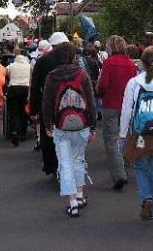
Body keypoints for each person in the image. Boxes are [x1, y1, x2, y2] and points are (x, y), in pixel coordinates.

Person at [42, 42, 97, 218]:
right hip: (82, 125)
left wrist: (48, 125)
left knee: (65, 164)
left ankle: (72, 203)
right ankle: (80, 195)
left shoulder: (52, 77)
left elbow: (47, 104)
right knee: (78, 160)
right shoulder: (82, 75)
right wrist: (93, 125)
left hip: (61, 125)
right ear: (74, 56)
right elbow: (91, 101)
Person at [119, 47, 153, 220]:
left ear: (141, 63)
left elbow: (127, 110)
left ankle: (146, 197)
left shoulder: (133, 83)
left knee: (141, 166)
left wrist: (122, 133)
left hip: (140, 134)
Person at [96, 35, 138, 190]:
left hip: (111, 105)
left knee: (111, 140)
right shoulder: (131, 65)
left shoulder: (108, 63)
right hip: (127, 106)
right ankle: (127, 160)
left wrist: (99, 93)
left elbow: (103, 85)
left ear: (111, 46)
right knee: (127, 135)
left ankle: (119, 174)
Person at [30, 32, 69, 176]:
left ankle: (52, 165)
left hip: (48, 103)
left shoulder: (42, 60)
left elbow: (35, 86)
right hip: (69, 103)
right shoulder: (73, 60)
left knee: (49, 135)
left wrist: (33, 109)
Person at [6, 54, 31, 147]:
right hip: (25, 88)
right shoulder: (28, 66)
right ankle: (23, 134)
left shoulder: (11, 65)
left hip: (13, 88)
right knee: (24, 112)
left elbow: (6, 72)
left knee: (14, 112)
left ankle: (14, 131)